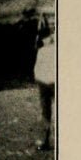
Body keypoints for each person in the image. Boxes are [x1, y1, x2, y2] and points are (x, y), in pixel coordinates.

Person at [34, 15, 56, 150]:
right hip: (51, 81)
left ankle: (46, 140)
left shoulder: (42, 50)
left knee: (46, 112)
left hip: (44, 82)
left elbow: (37, 68)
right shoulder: (54, 48)